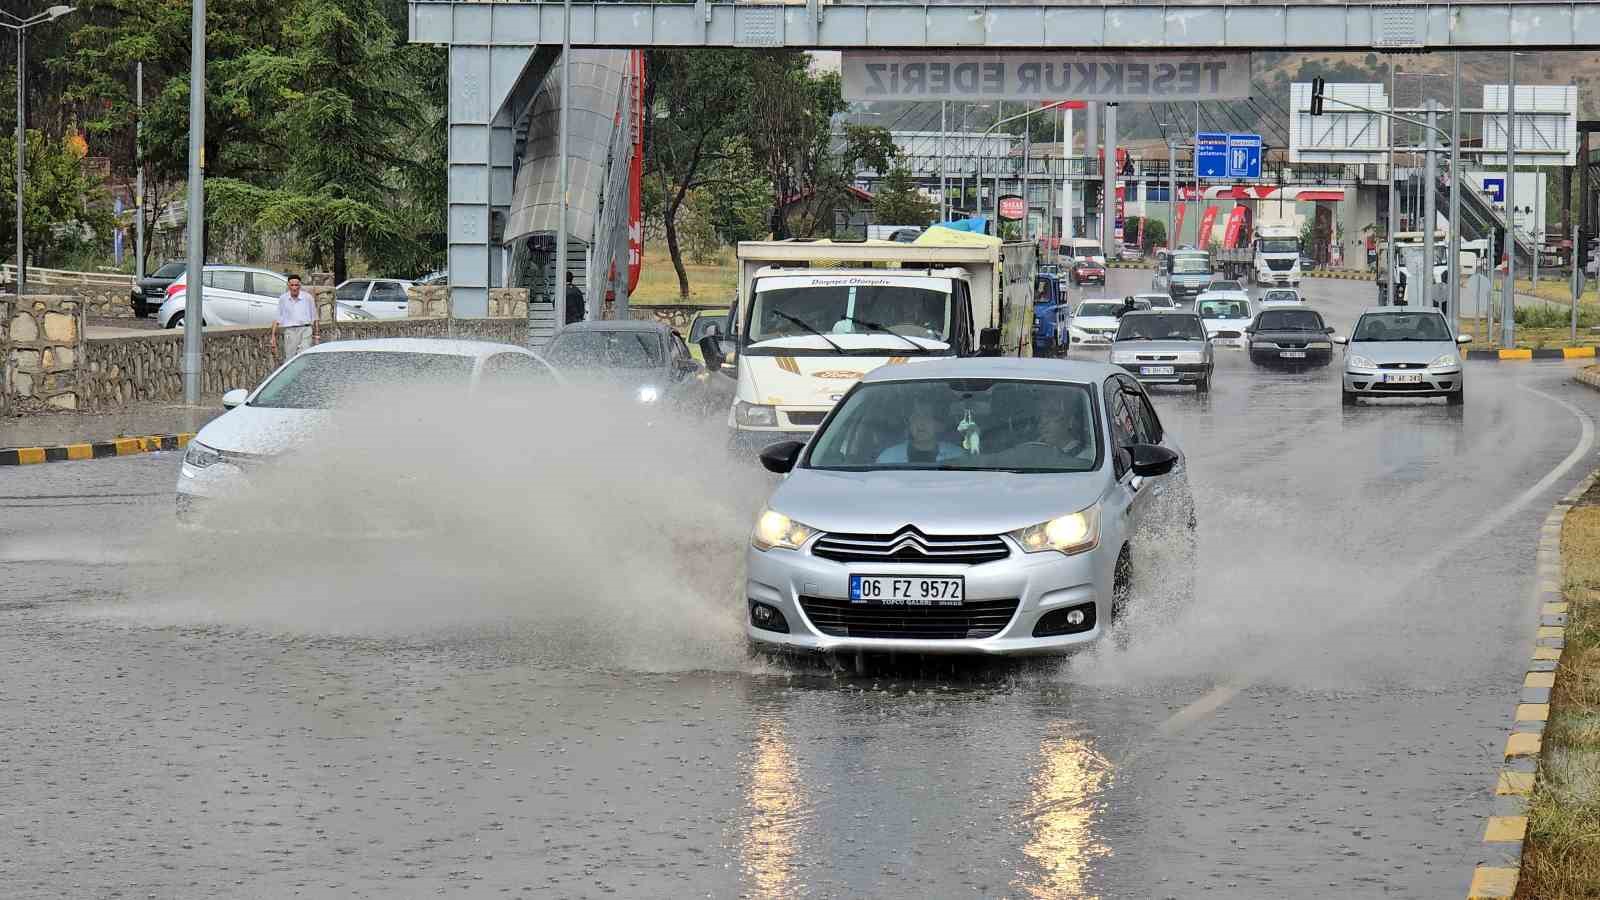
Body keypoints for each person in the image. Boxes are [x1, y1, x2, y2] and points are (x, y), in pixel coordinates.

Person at [876, 397, 963, 464]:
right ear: (909, 424)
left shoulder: (958, 456)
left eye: (927, 417)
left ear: (939, 425)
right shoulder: (888, 458)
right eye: (916, 418)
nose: (921, 424)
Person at [271, 274, 318, 359]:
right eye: (292, 285)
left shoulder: (308, 298)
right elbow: (277, 317)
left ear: (300, 286)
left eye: (296, 285)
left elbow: (314, 317)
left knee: (304, 355)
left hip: (306, 329)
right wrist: (273, 336)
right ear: (288, 286)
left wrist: (317, 335)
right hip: (290, 331)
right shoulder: (283, 298)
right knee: (290, 358)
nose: (294, 288)